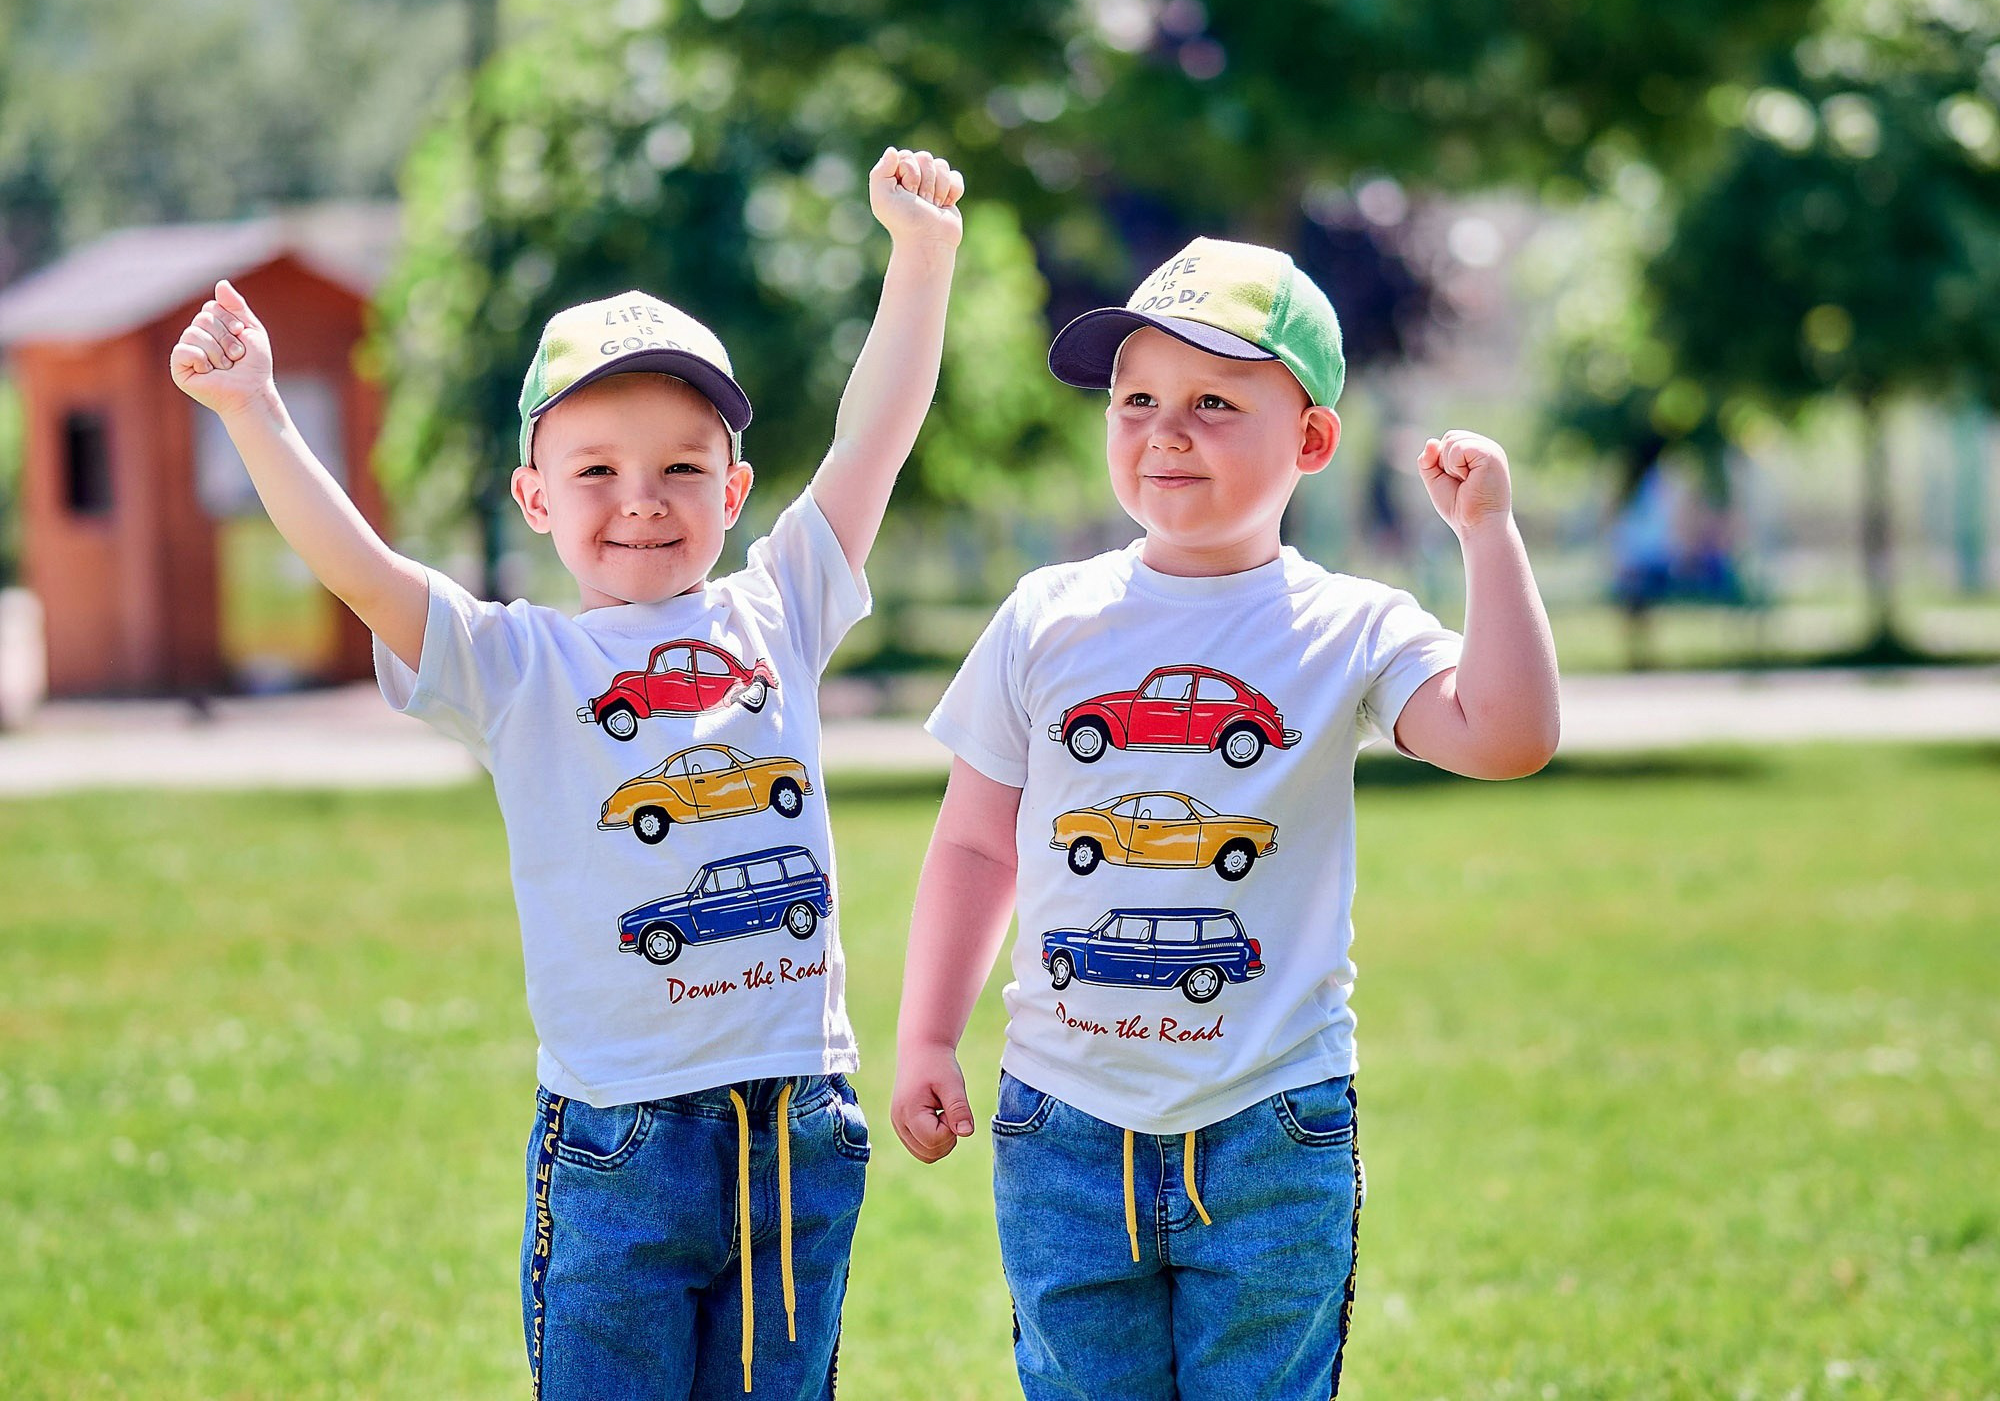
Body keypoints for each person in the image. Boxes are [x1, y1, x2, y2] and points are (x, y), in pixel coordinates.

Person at [171, 146, 965, 1399]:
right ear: (533, 497)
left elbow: (873, 434)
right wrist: (255, 411)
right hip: (622, 1136)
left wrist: (920, 259)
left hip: (794, 1125)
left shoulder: (781, 605)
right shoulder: (515, 661)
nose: (640, 499)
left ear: (734, 489)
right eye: (596, 469)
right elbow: (364, 571)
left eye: (680, 468)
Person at [891, 237, 1560, 1398]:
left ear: (1310, 439)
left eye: (1212, 402)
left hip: (1269, 1123)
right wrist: (925, 1035)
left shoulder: (1347, 625)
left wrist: (1485, 536)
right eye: (1135, 400)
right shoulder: (1046, 614)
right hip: (1063, 1120)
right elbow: (974, 839)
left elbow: (1506, 735)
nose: (1164, 431)